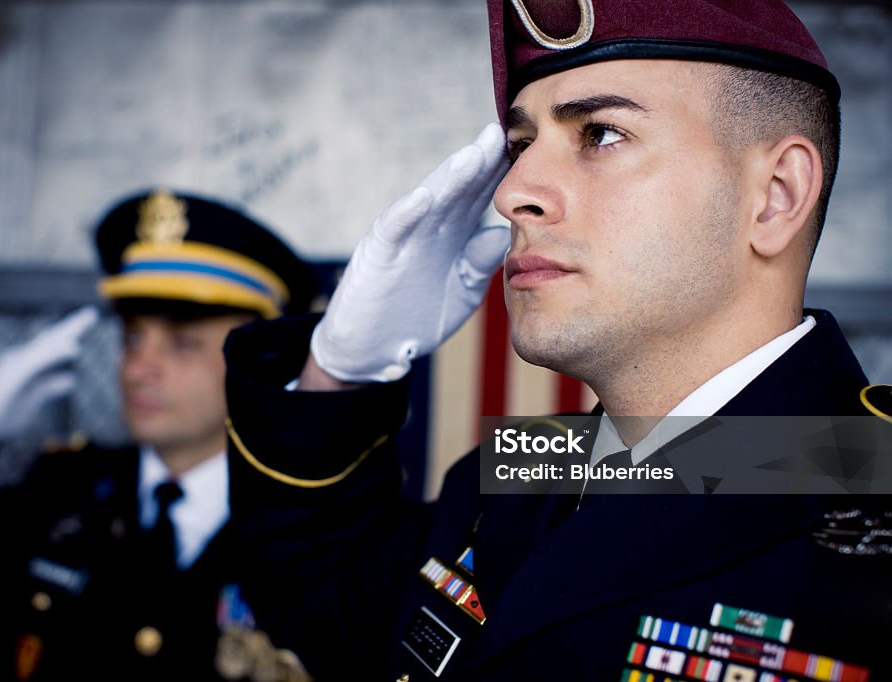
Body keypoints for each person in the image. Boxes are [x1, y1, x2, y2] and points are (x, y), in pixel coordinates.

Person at [220, 1, 892, 680]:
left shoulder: (871, 485)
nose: (513, 192)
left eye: (601, 134)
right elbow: (315, 599)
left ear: (775, 196)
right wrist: (342, 369)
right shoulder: (539, 465)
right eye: (520, 147)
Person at [0, 189, 316, 681]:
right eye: (132, 337)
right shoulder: (63, 490)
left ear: (264, 361)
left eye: (184, 342)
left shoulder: (309, 527)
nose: (139, 369)